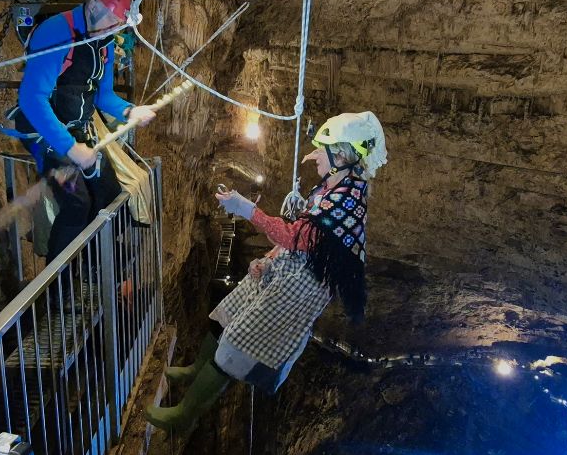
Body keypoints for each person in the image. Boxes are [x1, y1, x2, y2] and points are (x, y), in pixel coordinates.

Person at [145, 111, 388, 431]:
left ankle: (183, 417)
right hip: (290, 267)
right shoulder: (332, 184)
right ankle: (195, 371)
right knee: (231, 310)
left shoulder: (346, 201)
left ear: (342, 154)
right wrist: (270, 257)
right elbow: (298, 236)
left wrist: (247, 210)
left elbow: (297, 237)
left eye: (322, 150)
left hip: (303, 286)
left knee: (240, 341)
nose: (314, 156)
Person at [11, 0, 156, 259]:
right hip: (44, 133)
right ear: (93, 7)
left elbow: (103, 95)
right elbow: (31, 99)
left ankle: (94, 262)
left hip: (76, 130)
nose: (114, 30)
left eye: (119, 25)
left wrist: (129, 110)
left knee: (112, 195)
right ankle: (56, 290)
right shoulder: (56, 33)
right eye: (112, 22)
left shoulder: (105, 42)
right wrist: (70, 149)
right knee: (77, 204)